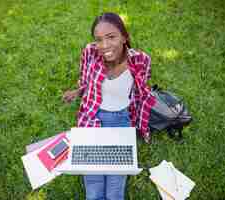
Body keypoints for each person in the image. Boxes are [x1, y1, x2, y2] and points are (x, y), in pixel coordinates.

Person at [63, 12, 156, 200]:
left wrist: (141, 123)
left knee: (115, 193)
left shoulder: (140, 61)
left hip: (121, 121)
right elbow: (87, 80)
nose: (104, 46)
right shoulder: (90, 52)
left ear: (124, 37)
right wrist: (78, 91)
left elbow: (141, 91)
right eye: (98, 40)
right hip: (92, 118)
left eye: (111, 37)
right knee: (94, 191)